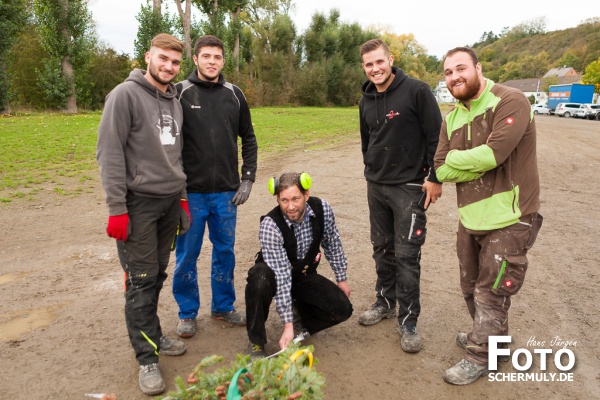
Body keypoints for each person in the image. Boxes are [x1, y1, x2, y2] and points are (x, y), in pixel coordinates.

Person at [434, 47, 543, 385]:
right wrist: (460, 163)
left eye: (461, 68)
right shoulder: (451, 118)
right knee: (469, 286)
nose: (455, 77)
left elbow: (494, 155)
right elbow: (439, 168)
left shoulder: (510, 101)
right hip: (471, 217)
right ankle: (494, 342)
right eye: (449, 72)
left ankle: (481, 355)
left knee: (491, 291)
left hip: (511, 216)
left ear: (478, 68)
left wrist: (457, 160)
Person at [96, 33, 190, 396]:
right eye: (163, 59)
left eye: (175, 62)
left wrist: (181, 200)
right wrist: (117, 209)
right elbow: (109, 154)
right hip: (137, 206)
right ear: (148, 56)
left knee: (157, 274)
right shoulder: (124, 96)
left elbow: (176, 156)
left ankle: (154, 336)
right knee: (140, 279)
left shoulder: (174, 100)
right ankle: (146, 359)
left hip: (168, 204)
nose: (169, 66)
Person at [357, 39, 442, 353]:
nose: (376, 69)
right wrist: (371, 170)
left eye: (380, 62)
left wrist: (434, 177)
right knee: (382, 248)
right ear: (364, 67)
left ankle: (408, 322)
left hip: (409, 187)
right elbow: (367, 142)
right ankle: (384, 302)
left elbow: (437, 137)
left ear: (390, 59)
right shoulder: (364, 100)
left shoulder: (417, 91)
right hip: (375, 186)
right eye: (369, 64)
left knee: (407, 255)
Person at [172, 35, 258, 338]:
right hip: (190, 194)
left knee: (225, 252)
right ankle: (187, 313)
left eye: (217, 57)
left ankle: (222, 306)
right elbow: (170, 144)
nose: (212, 61)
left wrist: (247, 177)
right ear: (195, 59)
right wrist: (176, 189)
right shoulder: (180, 93)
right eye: (206, 56)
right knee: (187, 255)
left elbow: (248, 138)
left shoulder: (234, 94)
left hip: (226, 194)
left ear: (223, 61)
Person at [245, 172, 353, 359]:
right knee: (259, 279)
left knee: (342, 308)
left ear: (306, 195)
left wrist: (341, 278)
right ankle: (256, 341)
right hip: (273, 274)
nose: (291, 206)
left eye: (295, 198)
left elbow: (332, 243)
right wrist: (286, 325)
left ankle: (301, 321)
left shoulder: (322, 209)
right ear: (278, 199)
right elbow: (281, 275)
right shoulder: (270, 225)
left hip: (303, 274)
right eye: (284, 200)